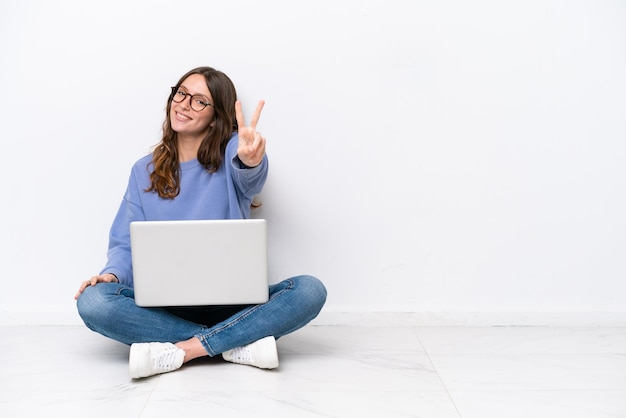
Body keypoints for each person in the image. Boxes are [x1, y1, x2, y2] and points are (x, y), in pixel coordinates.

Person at [74, 66, 327, 379]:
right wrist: (111, 276)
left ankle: (184, 349)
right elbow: (125, 244)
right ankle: (236, 342)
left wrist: (251, 160)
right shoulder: (143, 170)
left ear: (216, 115)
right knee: (93, 302)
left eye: (199, 101)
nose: (183, 104)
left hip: (233, 302)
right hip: (164, 306)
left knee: (310, 290)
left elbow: (250, 168)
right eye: (181, 93)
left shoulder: (233, 151)